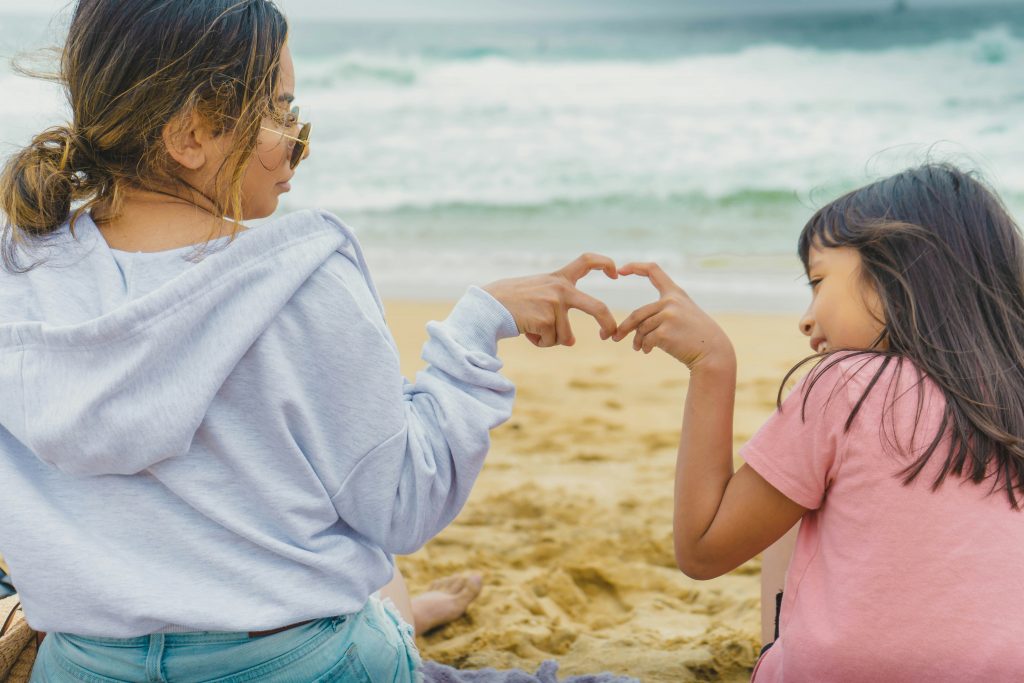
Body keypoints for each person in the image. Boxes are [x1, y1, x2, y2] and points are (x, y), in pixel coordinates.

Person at [0, 1, 620, 681]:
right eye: (285, 113)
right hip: (300, 663)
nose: (299, 143)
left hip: (85, 666)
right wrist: (474, 331)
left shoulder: (17, 274)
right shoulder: (298, 275)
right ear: (192, 134)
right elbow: (403, 503)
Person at [613, 163, 1024, 681]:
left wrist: (712, 365)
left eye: (819, 281)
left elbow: (702, 549)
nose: (806, 318)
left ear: (896, 273)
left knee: (795, 497)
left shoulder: (846, 385)